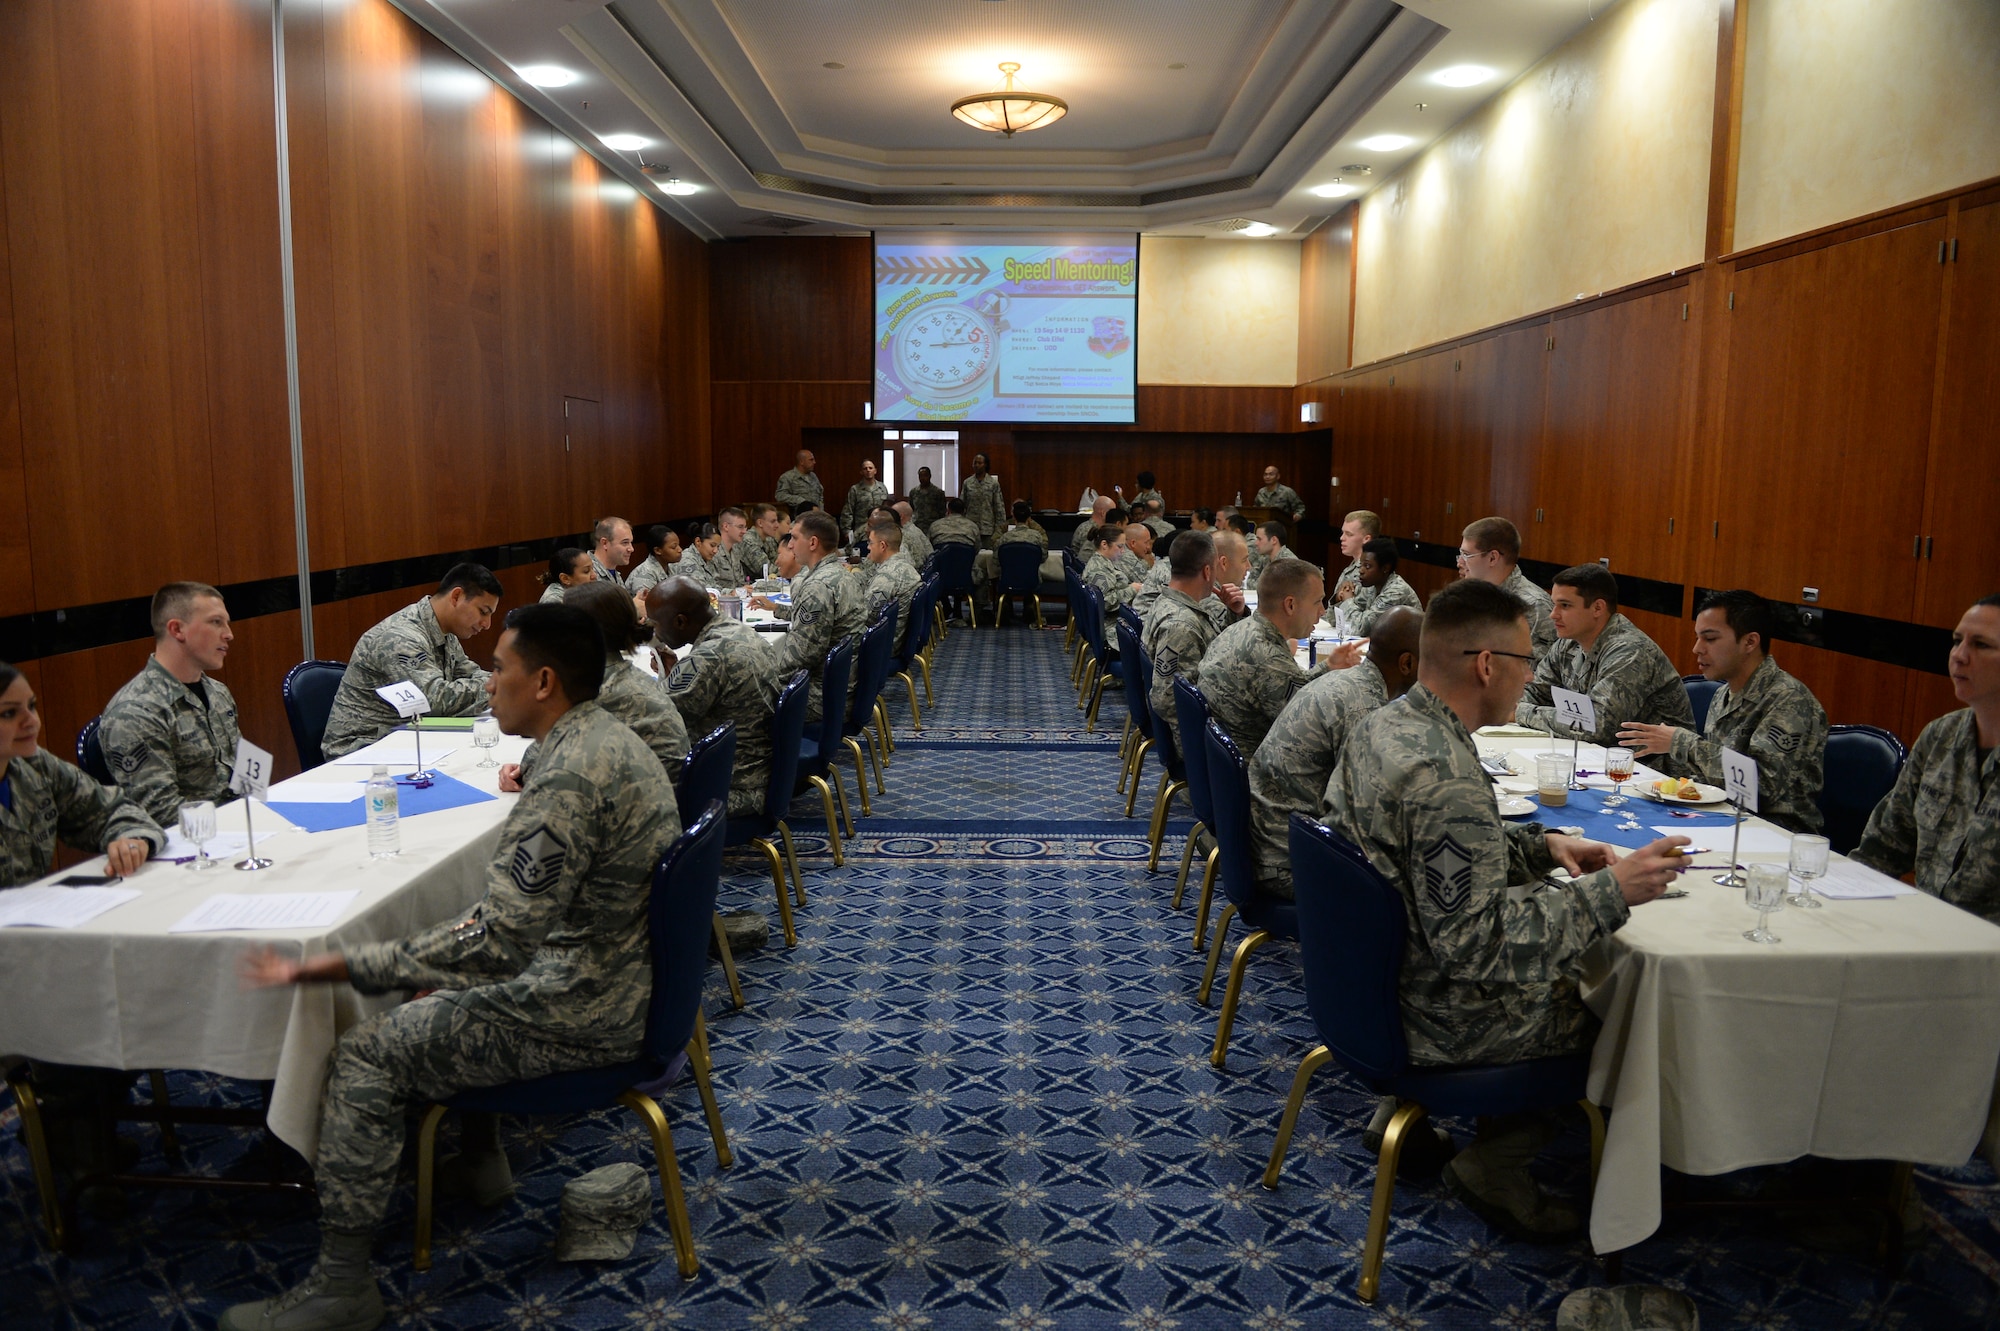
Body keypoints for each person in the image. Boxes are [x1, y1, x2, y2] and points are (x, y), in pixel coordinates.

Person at [226, 604, 680, 1331]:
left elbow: (498, 943)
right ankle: (481, 1157)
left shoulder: (567, 779)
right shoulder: (600, 738)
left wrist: (350, 964)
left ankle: (343, 1284)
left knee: (367, 1050)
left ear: (543, 681)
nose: (487, 681)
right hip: (614, 978)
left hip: (583, 1007)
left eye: (498, 668)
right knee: (442, 983)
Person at [1327, 578, 1689, 1241]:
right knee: (1623, 1006)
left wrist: (1540, 846)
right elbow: (1477, 947)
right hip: (1436, 1013)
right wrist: (1615, 891)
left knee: (1589, 970)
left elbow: (1432, 864)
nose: (1532, 680)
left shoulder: (1388, 724)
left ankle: (1429, 1118)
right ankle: (1498, 1161)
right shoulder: (1445, 776)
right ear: (1487, 665)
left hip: (1370, 986)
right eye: (1526, 663)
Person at [1, 662, 164, 1214]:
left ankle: (80, 1125)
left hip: (40, 944)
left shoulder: (30, 769)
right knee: (74, 1006)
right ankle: (77, 1154)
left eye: (32, 707)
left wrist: (129, 839)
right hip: (16, 965)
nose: (31, 723)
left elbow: (115, 807)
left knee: (134, 986)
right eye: (10, 713)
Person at [1616, 590, 1828, 833]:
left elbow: (1760, 788)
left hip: (1774, 834)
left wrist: (1682, 743)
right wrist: (1655, 755)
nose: (1697, 648)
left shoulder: (1789, 700)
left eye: (1710, 639)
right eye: (1697, 637)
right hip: (1720, 819)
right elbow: (1712, 776)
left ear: (1750, 642)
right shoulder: (1722, 695)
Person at [1250, 607, 1421, 899]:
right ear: (1407, 663)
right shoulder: (1363, 707)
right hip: (1287, 863)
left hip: (1273, 838)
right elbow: (1370, 821)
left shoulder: (1348, 682)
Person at [1851, 594, 2000, 921]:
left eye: (1981, 645)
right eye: (1957, 641)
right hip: (1925, 933)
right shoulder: (1941, 737)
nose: (1959, 656)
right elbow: (1883, 848)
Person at [501, 582, 688, 791]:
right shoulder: (622, 674)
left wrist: (522, 768)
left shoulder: (596, 687)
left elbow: (535, 766)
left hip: (646, 809)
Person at [322, 565, 502, 758]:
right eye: (483, 612)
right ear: (456, 597)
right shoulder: (400, 637)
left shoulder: (444, 632)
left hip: (404, 739)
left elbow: (470, 673)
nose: (487, 624)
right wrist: (499, 685)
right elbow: (433, 700)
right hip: (361, 747)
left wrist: (505, 682)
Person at [98, 582, 242, 824]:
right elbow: (161, 814)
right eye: (216, 622)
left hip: (242, 828)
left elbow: (244, 775)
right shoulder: (136, 712)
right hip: (191, 846)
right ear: (177, 630)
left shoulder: (217, 692)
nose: (229, 633)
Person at [1516, 564, 1693, 746]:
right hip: (1602, 758)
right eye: (1555, 605)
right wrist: (1519, 707)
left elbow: (1598, 726)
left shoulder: (1630, 651)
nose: (1553, 615)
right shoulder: (1568, 642)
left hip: (1654, 768)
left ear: (1598, 608)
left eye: (1565, 606)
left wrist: (1521, 713)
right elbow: (1535, 690)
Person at [649, 578, 779, 816]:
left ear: (680, 621)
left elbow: (658, 717)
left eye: (655, 624)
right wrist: (675, 673)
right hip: (761, 768)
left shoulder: (708, 658)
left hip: (734, 785)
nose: (655, 632)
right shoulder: (738, 629)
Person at [1199, 557, 1328, 759]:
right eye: (1317, 602)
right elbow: (1312, 729)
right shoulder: (1268, 658)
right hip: (1254, 773)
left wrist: (1329, 667)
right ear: (1290, 605)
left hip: (1217, 764)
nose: (1322, 611)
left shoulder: (1239, 629)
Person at [1141, 531, 1243, 757]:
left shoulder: (1171, 601)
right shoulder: (1180, 625)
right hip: (1196, 737)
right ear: (1208, 572)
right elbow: (1168, 699)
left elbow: (1215, 647)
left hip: (1201, 726)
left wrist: (1234, 614)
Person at [757, 511, 864, 724]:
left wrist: (762, 678)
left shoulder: (817, 586)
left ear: (813, 542)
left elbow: (801, 656)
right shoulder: (841, 573)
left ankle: (766, 757)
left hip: (823, 695)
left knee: (745, 697)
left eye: (795, 538)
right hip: (842, 685)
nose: (790, 545)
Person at [1457, 517, 1556, 666]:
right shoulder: (1473, 594)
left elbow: (1537, 677)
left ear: (1492, 558)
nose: (1460, 562)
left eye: (1467, 555)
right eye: (1460, 553)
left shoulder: (1534, 606)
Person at [973, 500, 1049, 617]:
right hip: (1032, 580)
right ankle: (1031, 610)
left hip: (1007, 580)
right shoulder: (1037, 537)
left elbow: (996, 560)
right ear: (1028, 517)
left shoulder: (1004, 538)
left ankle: (1004, 611)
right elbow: (1043, 557)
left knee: (1002, 579)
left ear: (1013, 515)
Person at [860, 517, 923, 645]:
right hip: (897, 637)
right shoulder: (905, 566)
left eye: (870, 543)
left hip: (883, 644)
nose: (868, 547)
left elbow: (866, 617)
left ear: (882, 545)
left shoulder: (887, 577)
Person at [1342, 538, 1422, 636]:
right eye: (1361, 565)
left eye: (1367, 566)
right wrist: (1339, 597)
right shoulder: (1371, 585)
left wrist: (1347, 601)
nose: (1361, 571)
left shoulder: (1396, 592)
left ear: (1385, 568)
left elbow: (1360, 628)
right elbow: (1335, 621)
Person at [1081, 524, 1141, 648]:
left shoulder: (1103, 562)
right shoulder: (1099, 570)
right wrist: (1132, 589)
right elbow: (1107, 601)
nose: (1123, 551)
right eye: (1120, 546)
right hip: (1111, 627)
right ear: (1104, 544)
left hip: (1112, 620)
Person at [1329, 509, 1382, 605]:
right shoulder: (1352, 567)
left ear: (1366, 539)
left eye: (1349, 534)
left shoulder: (1371, 574)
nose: (1342, 538)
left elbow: (1360, 617)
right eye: (1343, 533)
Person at [623, 527, 681, 601]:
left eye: (678, 545)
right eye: (674, 547)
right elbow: (646, 608)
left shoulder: (672, 566)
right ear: (657, 550)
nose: (680, 550)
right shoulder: (645, 574)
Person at [961, 451, 1006, 548]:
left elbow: (999, 508)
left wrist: (999, 530)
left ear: (985, 465)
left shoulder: (993, 483)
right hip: (970, 528)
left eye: (979, 463)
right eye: (975, 463)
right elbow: (962, 505)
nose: (976, 465)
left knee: (987, 557)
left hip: (988, 529)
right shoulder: (967, 483)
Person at [839, 459, 889, 543]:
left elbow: (887, 509)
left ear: (875, 471)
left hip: (881, 529)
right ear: (861, 472)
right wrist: (846, 531)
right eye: (865, 469)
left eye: (870, 468)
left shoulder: (882, 488)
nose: (868, 470)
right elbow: (848, 511)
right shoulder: (855, 489)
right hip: (862, 531)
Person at [1245, 520, 1300, 593]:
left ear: (1274, 540)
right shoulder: (1266, 558)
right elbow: (1251, 577)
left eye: (1259, 539)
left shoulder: (1287, 562)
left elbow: (1267, 590)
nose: (1256, 543)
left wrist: (1253, 584)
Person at [737, 503, 784, 580]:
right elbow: (767, 570)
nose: (777, 525)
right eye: (773, 521)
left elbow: (778, 562)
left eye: (777, 521)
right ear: (760, 523)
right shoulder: (748, 541)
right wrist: (792, 571)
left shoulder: (769, 539)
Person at [673, 523, 727, 587]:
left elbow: (715, 585)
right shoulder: (687, 560)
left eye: (718, 547)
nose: (715, 551)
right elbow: (699, 589)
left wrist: (732, 592)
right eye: (712, 545)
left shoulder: (707, 558)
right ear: (698, 541)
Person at [590, 516, 634, 590]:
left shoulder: (614, 573)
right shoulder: (588, 574)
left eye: (630, 542)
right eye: (625, 542)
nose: (631, 549)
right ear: (605, 543)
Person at [775, 448, 823, 513]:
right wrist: (802, 502)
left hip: (816, 516)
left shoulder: (813, 476)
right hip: (799, 517)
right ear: (801, 462)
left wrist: (821, 511)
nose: (814, 462)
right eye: (811, 460)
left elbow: (820, 495)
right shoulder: (788, 477)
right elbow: (780, 496)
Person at [712, 507, 750, 586]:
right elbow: (712, 587)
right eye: (740, 527)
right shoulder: (713, 551)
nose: (744, 531)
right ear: (726, 526)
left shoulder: (736, 550)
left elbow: (741, 583)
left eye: (745, 527)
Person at [892, 499, 934, 570]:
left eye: (892, 514)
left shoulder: (901, 534)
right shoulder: (917, 530)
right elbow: (931, 553)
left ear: (900, 516)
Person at [1073, 495, 1115, 562]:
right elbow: (1085, 559)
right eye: (1112, 512)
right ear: (1103, 513)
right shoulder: (1090, 531)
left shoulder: (1086, 525)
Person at [908, 466, 948, 534]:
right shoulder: (913, 492)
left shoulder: (938, 492)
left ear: (930, 476)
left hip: (933, 525)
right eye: (920, 476)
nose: (922, 478)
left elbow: (942, 511)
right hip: (917, 525)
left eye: (925, 476)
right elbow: (912, 508)